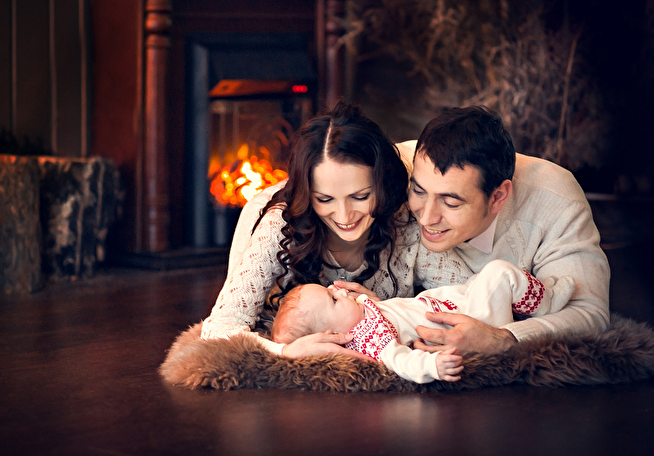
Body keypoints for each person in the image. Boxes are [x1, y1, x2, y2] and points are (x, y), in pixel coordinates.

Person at [336, 106, 610, 356]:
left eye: (451, 202)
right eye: (418, 191)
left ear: (498, 197)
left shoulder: (555, 199)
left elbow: (589, 313)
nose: (426, 217)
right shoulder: (394, 170)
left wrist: (502, 339)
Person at [200, 103, 429, 358]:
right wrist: (285, 350)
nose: (344, 216)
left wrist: (385, 311)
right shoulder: (280, 225)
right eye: (325, 199)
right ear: (309, 196)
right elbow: (220, 326)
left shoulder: (406, 215)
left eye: (360, 197)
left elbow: (459, 298)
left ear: (382, 185)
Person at [271, 259, 576, 383]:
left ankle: (530, 300)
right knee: (498, 273)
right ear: (333, 334)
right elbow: (401, 361)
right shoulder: (372, 339)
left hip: (452, 303)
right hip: (473, 326)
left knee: (487, 280)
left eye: (330, 289)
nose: (338, 289)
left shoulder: (357, 312)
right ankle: (548, 302)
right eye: (333, 299)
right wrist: (432, 366)